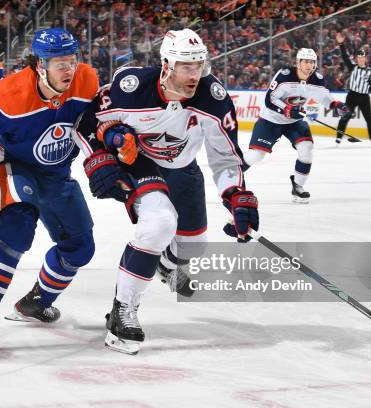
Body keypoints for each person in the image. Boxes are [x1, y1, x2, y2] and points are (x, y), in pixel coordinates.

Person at [75, 29, 259, 354]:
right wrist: (100, 157)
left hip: (184, 168)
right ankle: (123, 309)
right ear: (166, 64)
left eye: (199, 65)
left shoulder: (212, 97)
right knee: (159, 223)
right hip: (142, 162)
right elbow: (87, 123)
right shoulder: (131, 88)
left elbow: (224, 155)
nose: (194, 75)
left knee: (194, 247)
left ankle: (164, 263)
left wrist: (236, 194)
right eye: (186, 66)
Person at [0, 28, 99, 356]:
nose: (69, 70)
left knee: (80, 247)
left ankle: (36, 302)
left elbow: (101, 122)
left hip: (57, 173)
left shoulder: (86, 81)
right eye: (60, 63)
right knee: (17, 230)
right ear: (39, 65)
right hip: (12, 163)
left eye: (72, 61)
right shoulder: (11, 93)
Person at [244, 48, 349, 203]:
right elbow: (270, 99)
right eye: (305, 61)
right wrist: (286, 109)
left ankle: (298, 187)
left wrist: (336, 106)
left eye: (311, 62)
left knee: (306, 148)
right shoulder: (285, 75)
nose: (308, 65)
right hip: (270, 119)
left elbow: (325, 97)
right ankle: (233, 174)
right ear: (298, 63)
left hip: (294, 121)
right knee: (255, 157)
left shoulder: (317, 79)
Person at [335, 33, 371, 147]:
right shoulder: (353, 67)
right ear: (357, 58)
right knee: (345, 116)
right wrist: (341, 44)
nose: (360, 59)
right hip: (352, 96)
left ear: (365, 58)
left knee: (369, 118)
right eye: (359, 57)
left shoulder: (369, 71)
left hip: (364, 97)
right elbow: (345, 56)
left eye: (362, 57)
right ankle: (339, 138)